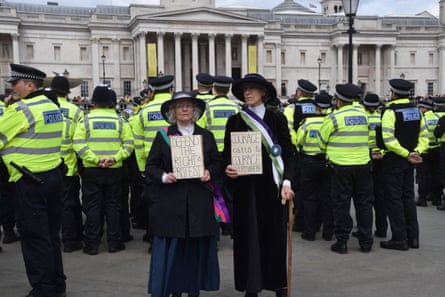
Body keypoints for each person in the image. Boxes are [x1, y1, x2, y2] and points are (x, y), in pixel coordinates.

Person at [223, 73, 296, 297]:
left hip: (271, 189)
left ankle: (278, 283)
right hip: (245, 190)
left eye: (253, 88)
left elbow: (290, 154)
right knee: (247, 239)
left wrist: (287, 181)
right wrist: (229, 170)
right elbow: (227, 155)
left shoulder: (277, 119)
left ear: (263, 92)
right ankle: (250, 284)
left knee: (274, 238)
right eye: (245, 89)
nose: (248, 92)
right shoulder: (235, 121)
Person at [146, 91, 222, 297]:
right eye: (180, 106)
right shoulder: (163, 136)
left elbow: (217, 163)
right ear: (173, 112)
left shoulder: (206, 136)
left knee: (195, 250)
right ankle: (174, 290)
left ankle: (194, 289)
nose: (185, 109)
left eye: (189, 105)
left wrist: (210, 172)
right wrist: (164, 176)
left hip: (199, 202)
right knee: (175, 251)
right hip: (172, 203)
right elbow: (151, 166)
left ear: (195, 111)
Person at [0, 63, 66, 297]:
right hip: (53, 176)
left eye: (15, 84)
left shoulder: (21, 110)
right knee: (50, 236)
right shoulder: (51, 106)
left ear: (29, 85)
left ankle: (44, 289)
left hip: (30, 182)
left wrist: (9, 110)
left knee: (34, 239)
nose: (12, 88)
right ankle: (57, 284)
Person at [73, 85, 134, 255]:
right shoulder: (120, 121)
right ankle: (115, 243)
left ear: (94, 102)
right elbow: (129, 145)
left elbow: (78, 144)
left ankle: (92, 244)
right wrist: (115, 158)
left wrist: (95, 159)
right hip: (114, 169)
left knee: (92, 207)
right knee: (113, 207)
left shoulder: (85, 121)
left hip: (92, 170)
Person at [318, 83, 374, 254]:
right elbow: (370, 138)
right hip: (363, 164)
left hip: (341, 167)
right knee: (364, 204)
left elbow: (322, 141)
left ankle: (342, 242)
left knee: (341, 204)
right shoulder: (364, 115)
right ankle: (366, 242)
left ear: (339, 101)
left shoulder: (334, 118)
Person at [379, 79, 428, 251]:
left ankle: (399, 238)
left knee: (394, 200)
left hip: (395, 160)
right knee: (408, 198)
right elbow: (425, 136)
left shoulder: (390, 111)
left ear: (394, 93)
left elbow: (388, 140)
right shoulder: (417, 111)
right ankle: (413, 238)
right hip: (411, 160)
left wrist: (406, 154)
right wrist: (416, 152)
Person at [197, 75, 240, 236]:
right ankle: (232, 229)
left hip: (213, 156)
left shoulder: (207, 107)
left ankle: (214, 233)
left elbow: (200, 131)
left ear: (214, 88)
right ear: (228, 89)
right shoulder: (236, 108)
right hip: (232, 155)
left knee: (214, 193)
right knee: (231, 193)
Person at [51, 75, 84, 253]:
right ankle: (72, 239)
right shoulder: (75, 111)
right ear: (67, 92)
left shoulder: (46, 109)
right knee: (69, 204)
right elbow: (80, 139)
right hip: (69, 165)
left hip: (47, 164)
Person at [295, 92, 333, 241]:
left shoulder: (308, 122)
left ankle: (309, 232)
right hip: (326, 161)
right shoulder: (330, 121)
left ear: (315, 107)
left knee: (310, 198)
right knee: (327, 197)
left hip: (309, 161)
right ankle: (328, 232)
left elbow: (298, 141)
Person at [283, 79, 317, 233]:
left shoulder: (292, 108)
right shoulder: (319, 107)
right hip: (319, 153)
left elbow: (288, 129)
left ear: (299, 92)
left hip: (300, 152)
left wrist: (297, 145)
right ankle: (317, 222)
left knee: (301, 189)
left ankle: (300, 221)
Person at [362, 92, 387, 238]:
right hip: (381, 156)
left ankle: (364, 228)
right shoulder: (381, 118)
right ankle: (382, 229)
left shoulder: (362, 118)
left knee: (364, 197)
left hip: (366, 156)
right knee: (380, 196)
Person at [416, 97, 442, 207]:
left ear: (424, 109)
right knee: (436, 174)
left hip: (425, 150)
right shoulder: (438, 117)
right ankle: (437, 198)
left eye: (420, 108)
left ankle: (422, 198)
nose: (418, 110)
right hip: (437, 148)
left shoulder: (422, 119)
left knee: (423, 175)